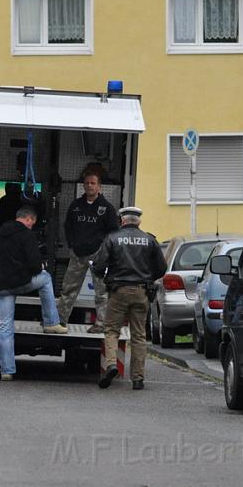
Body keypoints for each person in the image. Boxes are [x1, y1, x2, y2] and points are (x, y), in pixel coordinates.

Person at [91, 206, 167, 390]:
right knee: (139, 335)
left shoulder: (112, 238)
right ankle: (138, 378)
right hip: (141, 291)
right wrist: (147, 277)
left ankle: (110, 365)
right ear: (138, 221)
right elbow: (161, 268)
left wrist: (102, 274)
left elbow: (99, 265)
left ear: (122, 220)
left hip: (118, 291)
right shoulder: (150, 240)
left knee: (111, 330)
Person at [0, 205, 68, 381]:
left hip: (2, 286)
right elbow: (34, 265)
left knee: (5, 327)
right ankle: (51, 322)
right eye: (32, 223)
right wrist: (41, 266)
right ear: (29, 219)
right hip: (21, 282)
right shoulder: (27, 235)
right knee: (46, 278)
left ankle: (6, 371)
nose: (32, 226)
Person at [57, 167, 119, 334]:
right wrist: (71, 245)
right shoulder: (76, 206)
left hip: (98, 256)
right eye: (87, 183)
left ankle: (101, 324)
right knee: (68, 289)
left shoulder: (107, 208)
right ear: (83, 186)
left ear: (99, 187)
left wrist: (105, 252)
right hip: (77, 255)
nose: (90, 186)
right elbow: (67, 226)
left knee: (101, 292)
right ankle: (60, 321)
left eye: (93, 183)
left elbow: (113, 232)